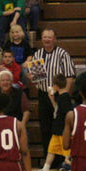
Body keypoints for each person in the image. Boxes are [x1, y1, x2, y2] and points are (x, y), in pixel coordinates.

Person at [31, 29, 75, 160]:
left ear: (55, 39)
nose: (47, 39)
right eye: (44, 37)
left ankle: (63, 159)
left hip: (59, 95)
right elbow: (37, 79)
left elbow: (69, 76)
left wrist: (64, 94)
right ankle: (48, 159)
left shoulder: (62, 54)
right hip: (44, 95)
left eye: (49, 37)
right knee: (45, 128)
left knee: (60, 127)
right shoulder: (38, 54)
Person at [32, 73, 72, 171]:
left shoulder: (65, 97)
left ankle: (74, 169)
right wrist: (51, 99)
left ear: (55, 85)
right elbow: (57, 111)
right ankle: (45, 170)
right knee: (51, 150)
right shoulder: (60, 97)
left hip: (63, 131)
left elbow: (69, 114)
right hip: (57, 130)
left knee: (67, 155)